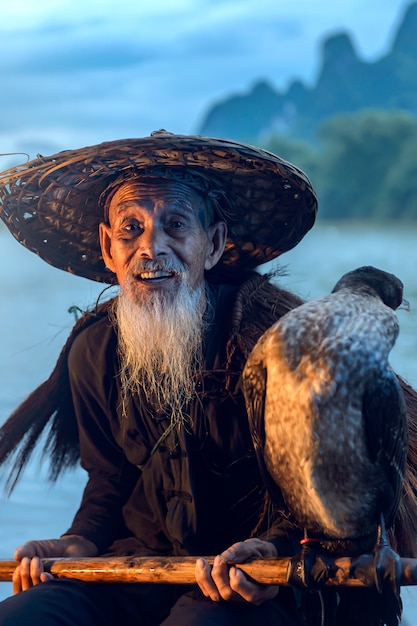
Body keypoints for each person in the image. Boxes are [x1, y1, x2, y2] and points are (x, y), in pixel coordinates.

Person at [0, 130, 416, 626]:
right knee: (26, 615)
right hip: (136, 568)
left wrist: (274, 547)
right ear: (109, 250)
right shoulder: (93, 349)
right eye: (131, 228)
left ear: (213, 244)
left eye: (175, 225)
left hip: (255, 578)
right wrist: (80, 539)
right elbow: (109, 478)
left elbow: (327, 489)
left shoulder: (273, 345)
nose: (152, 248)